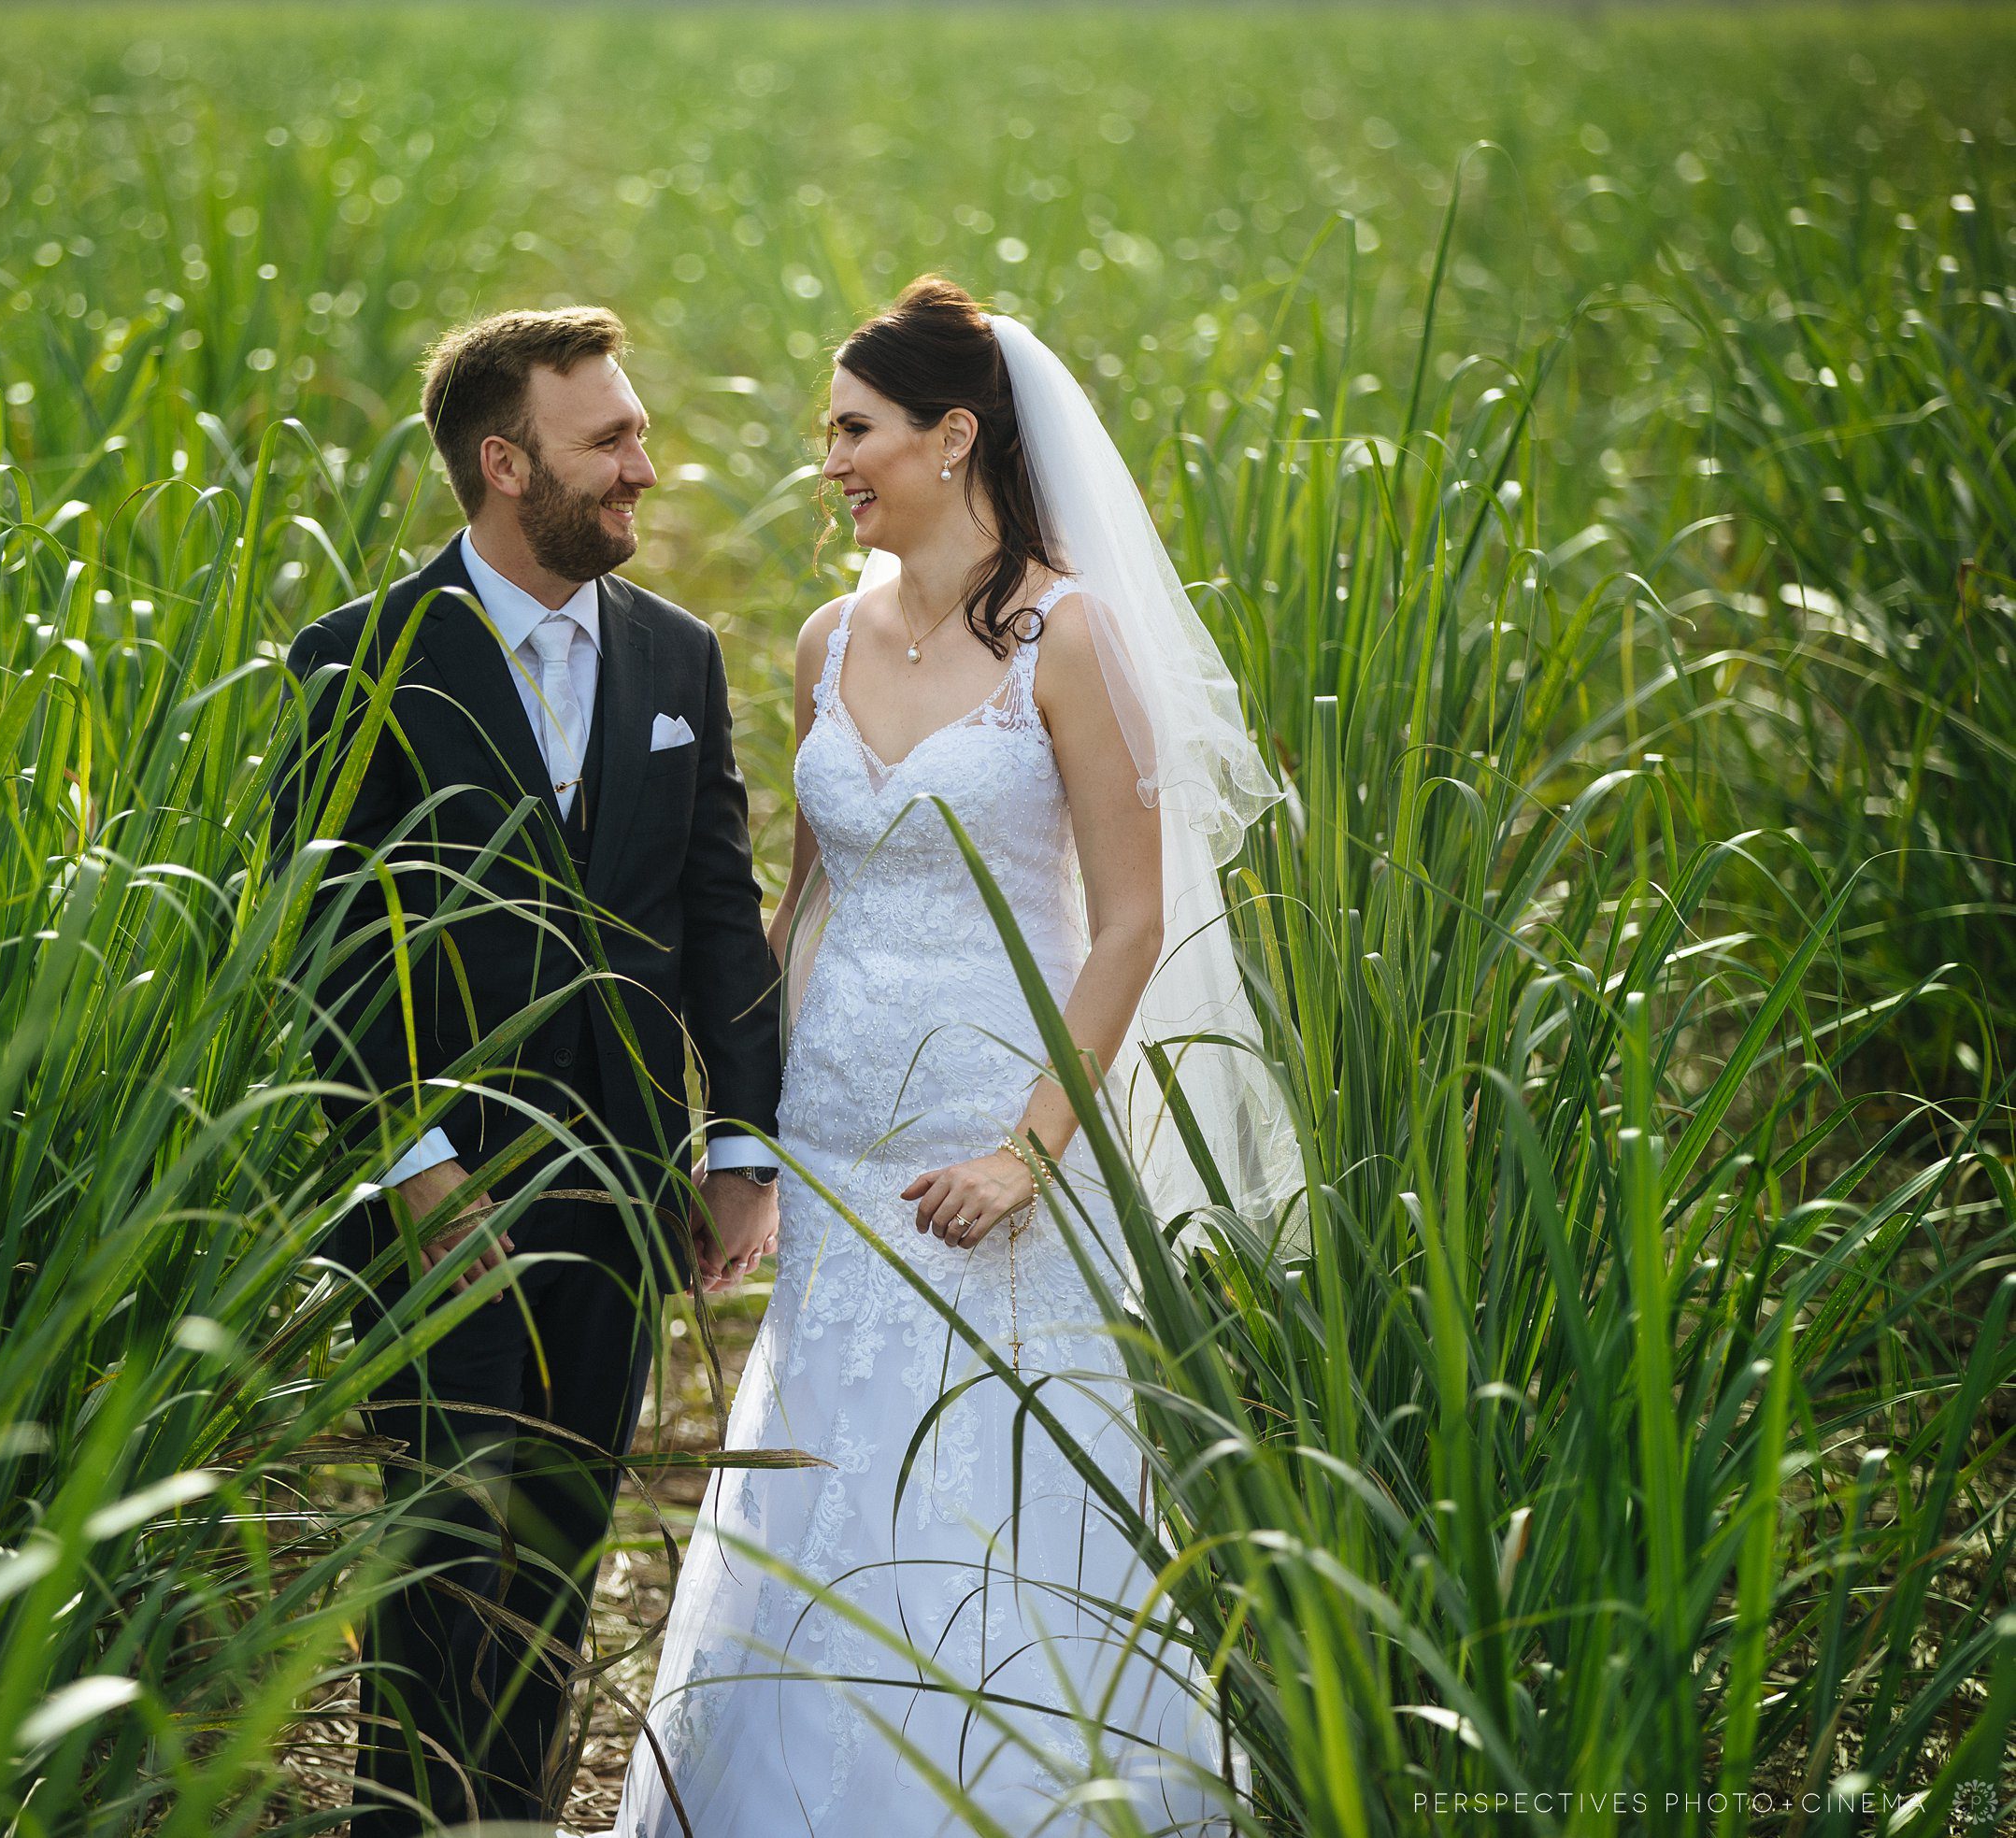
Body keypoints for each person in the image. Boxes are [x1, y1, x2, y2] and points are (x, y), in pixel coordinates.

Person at [616, 277, 1298, 1837]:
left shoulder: (1071, 634)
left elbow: (1127, 925)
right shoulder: (821, 638)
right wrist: (747, 1141)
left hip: (1000, 1155)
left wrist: (1029, 1147)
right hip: (840, 1154)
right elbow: (804, 899)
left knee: (995, 1490)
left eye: (852, 431)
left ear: (953, 434)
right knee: (828, 1477)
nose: (830, 462)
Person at [269, 306, 785, 1834]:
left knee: (554, 1549)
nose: (645, 466)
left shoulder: (675, 654)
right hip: (439, 1188)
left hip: (621, 1182)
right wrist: (411, 1166)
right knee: (442, 1551)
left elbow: (711, 908)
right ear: (505, 464)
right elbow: (322, 933)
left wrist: (737, 1141)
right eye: (608, 441)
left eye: (634, 431)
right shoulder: (357, 659)